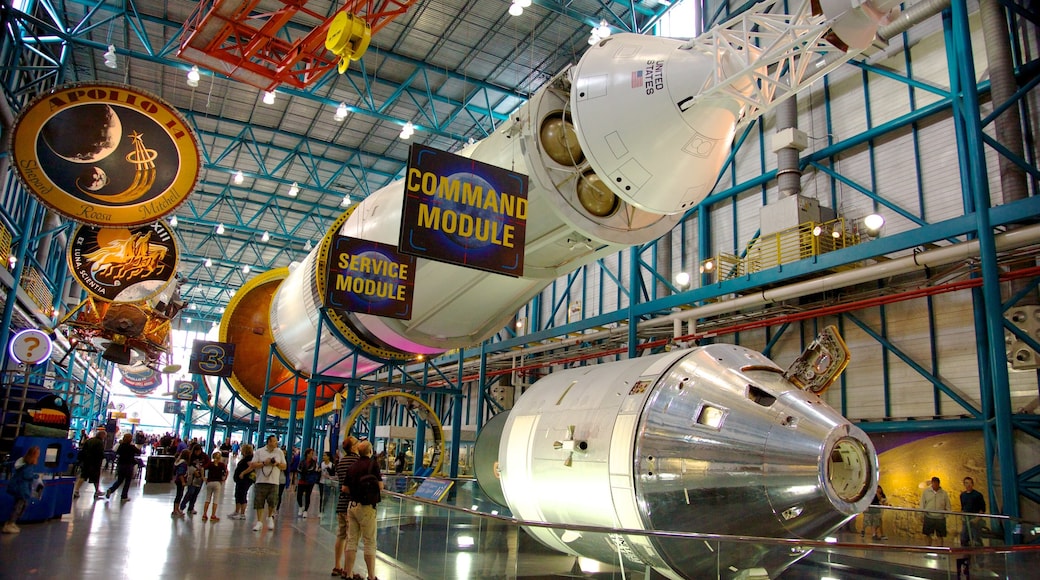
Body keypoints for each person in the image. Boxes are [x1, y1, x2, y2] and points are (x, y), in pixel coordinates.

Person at [342, 440, 383, 580]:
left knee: (352, 540)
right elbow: (381, 486)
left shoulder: (353, 466)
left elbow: (344, 488)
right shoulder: (373, 465)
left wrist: (355, 491)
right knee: (369, 541)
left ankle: (348, 573)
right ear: (370, 451)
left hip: (352, 505)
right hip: (367, 507)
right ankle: (371, 576)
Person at [332, 436, 359, 577]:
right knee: (351, 537)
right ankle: (348, 570)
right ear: (353, 447)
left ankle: (337, 565)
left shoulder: (341, 462)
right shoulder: (356, 462)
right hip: (352, 503)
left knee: (341, 535)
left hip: (341, 503)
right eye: (357, 443)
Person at [250, 435, 287, 532]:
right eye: (274, 441)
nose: (276, 443)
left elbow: (284, 466)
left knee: (273, 500)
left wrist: (277, 464)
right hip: (260, 480)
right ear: (269, 442)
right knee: (259, 501)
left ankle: (270, 516)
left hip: (274, 481)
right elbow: (253, 464)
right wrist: (264, 463)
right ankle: (259, 521)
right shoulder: (259, 451)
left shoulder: (279, 452)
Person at [3, 446, 40, 534]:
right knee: (20, 506)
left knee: (18, 505)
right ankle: (10, 523)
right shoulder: (29, 465)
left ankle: (11, 523)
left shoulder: (22, 462)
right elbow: (27, 475)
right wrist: (36, 476)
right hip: (22, 488)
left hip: (18, 486)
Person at [105, 433, 141, 502]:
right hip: (128, 465)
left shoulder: (121, 446)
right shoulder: (131, 447)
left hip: (121, 464)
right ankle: (124, 496)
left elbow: (117, 452)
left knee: (119, 480)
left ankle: (111, 489)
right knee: (127, 481)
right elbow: (139, 451)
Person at [73, 428, 106, 499]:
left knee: (83, 476)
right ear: (102, 436)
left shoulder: (89, 440)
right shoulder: (100, 443)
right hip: (95, 463)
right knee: (95, 478)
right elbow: (100, 453)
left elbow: (83, 450)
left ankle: (76, 490)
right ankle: (97, 491)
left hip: (86, 461)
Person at [920, 476, 952, 545]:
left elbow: (948, 504)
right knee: (928, 534)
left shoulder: (944, 493)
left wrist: (946, 515)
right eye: (933, 483)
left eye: (936, 484)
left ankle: (940, 550)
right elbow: (922, 503)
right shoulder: (926, 492)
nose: (935, 485)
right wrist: (922, 514)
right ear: (932, 483)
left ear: (939, 484)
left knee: (940, 535)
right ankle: (928, 549)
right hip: (929, 516)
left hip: (940, 517)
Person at [230, 443, 255, 520]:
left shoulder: (249, 459)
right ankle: (237, 511)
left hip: (245, 480)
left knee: (242, 495)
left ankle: (242, 513)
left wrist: (243, 473)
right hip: (240, 480)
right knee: (238, 495)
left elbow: (251, 467)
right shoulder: (245, 458)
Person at [960, 476, 986, 547]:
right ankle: (966, 555)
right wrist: (963, 517)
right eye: (966, 483)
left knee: (976, 538)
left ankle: (979, 556)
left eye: (969, 483)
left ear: (972, 484)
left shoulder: (978, 495)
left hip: (975, 520)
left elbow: (982, 509)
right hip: (966, 520)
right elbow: (963, 507)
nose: (968, 485)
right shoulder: (962, 495)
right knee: (964, 538)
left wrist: (977, 519)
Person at [201, 451, 228, 521]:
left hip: (209, 482)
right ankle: (213, 516)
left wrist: (203, 477)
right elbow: (226, 472)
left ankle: (204, 514)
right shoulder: (222, 465)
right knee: (215, 500)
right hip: (217, 483)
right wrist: (224, 479)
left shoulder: (210, 464)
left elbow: (202, 468)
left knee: (207, 499)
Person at [296, 448, 319, 518]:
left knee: (308, 496)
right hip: (302, 480)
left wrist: (304, 471)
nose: (312, 455)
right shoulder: (302, 461)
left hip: (309, 482)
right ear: (307, 454)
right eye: (311, 453)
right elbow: (298, 469)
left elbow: (312, 469)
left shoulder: (313, 462)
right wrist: (304, 472)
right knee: (299, 495)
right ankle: (300, 506)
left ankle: (306, 510)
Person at [171, 449, 190, 517]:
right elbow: (181, 473)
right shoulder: (183, 463)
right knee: (179, 495)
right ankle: (175, 510)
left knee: (179, 495)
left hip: (177, 480)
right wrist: (183, 482)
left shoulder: (178, 462)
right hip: (180, 481)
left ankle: (176, 509)